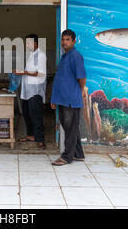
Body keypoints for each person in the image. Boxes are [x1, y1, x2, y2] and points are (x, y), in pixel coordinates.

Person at [50, 29, 86, 166]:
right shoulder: (65, 56)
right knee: (71, 128)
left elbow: (82, 77)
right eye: (63, 39)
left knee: (70, 129)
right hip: (62, 99)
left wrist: (80, 91)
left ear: (74, 41)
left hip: (71, 99)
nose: (64, 42)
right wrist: (54, 99)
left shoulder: (76, 56)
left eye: (67, 40)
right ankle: (78, 154)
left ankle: (66, 157)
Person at [13, 34, 47, 150]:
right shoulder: (32, 55)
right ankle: (31, 135)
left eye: (28, 43)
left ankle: (40, 140)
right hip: (27, 91)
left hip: (35, 91)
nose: (26, 45)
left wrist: (23, 72)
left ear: (35, 43)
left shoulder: (41, 55)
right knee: (27, 114)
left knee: (36, 116)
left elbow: (40, 73)